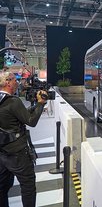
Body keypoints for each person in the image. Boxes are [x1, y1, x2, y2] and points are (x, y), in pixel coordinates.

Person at [0, 71, 47, 207]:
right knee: (28, 186)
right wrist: (40, 103)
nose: (17, 82)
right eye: (15, 79)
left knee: (2, 188)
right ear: (7, 82)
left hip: (2, 153)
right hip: (18, 153)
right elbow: (31, 121)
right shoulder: (13, 101)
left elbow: (16, 115)